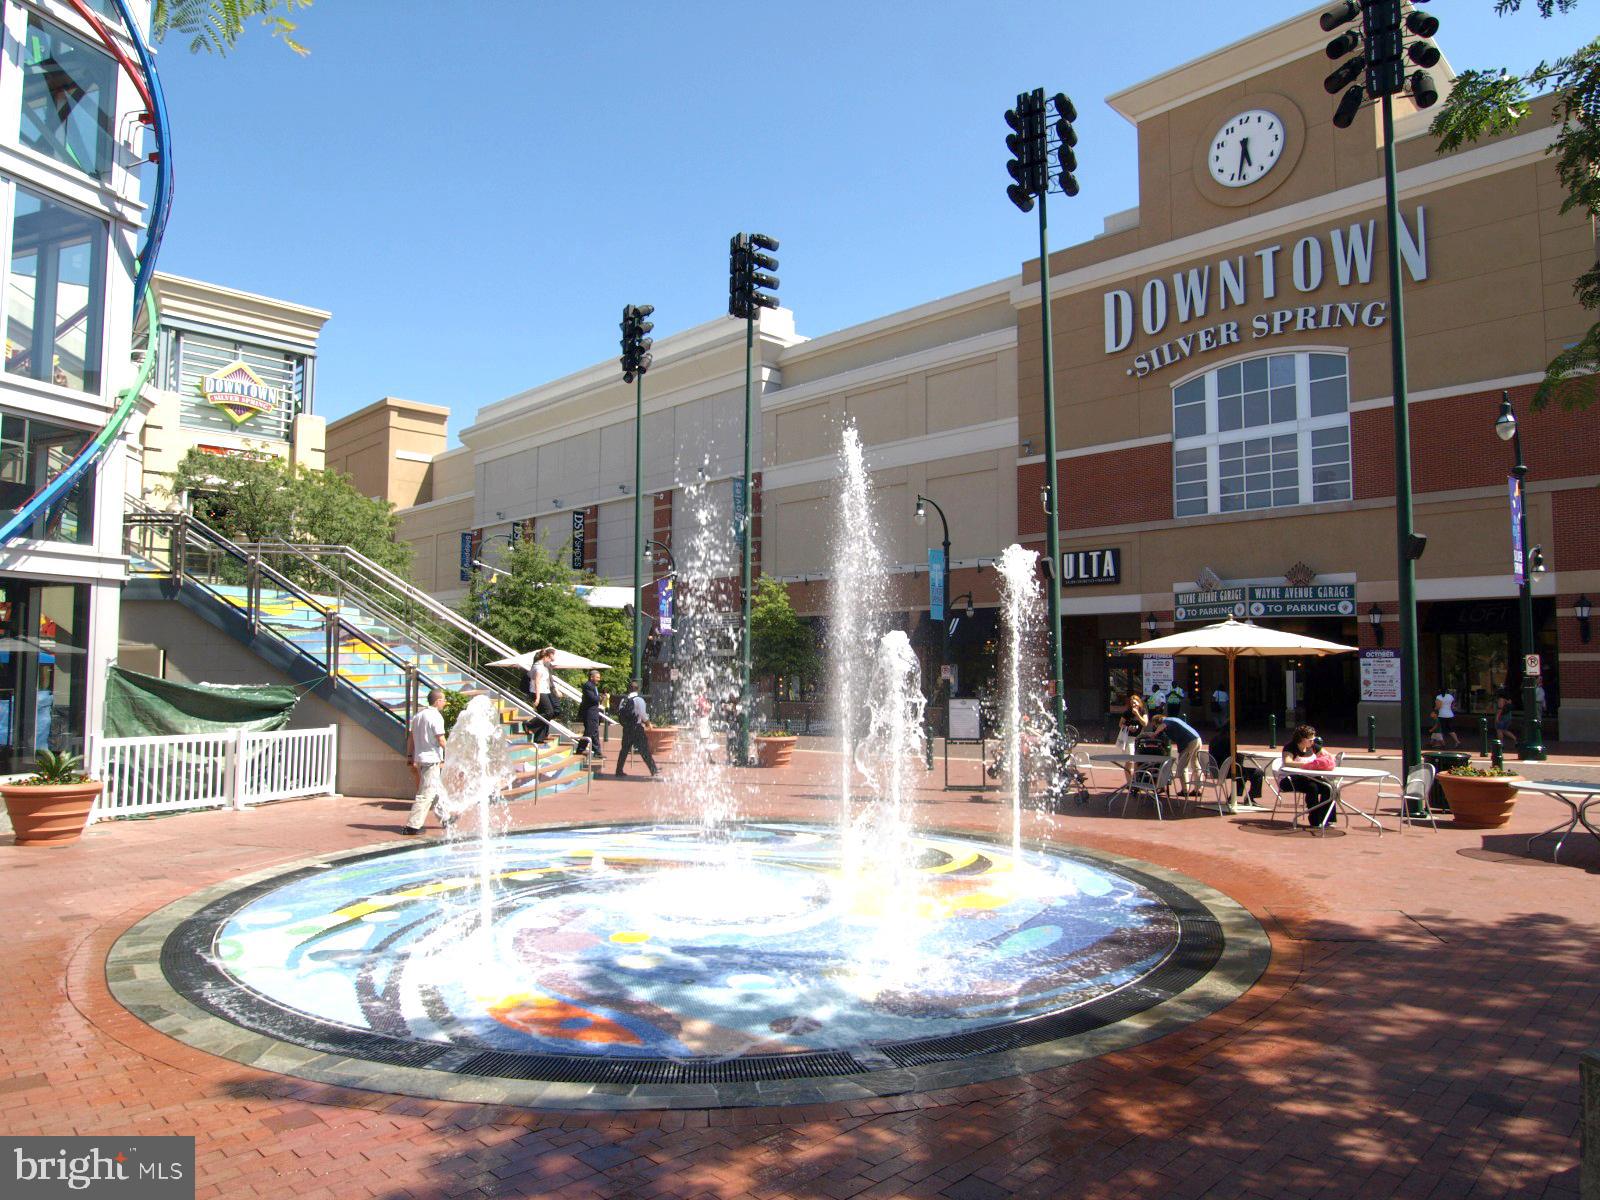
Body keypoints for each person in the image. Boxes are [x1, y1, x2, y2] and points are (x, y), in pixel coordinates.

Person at [404, 689, 449, 835]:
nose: (445, 703)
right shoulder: (436, 717)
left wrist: (410, 755)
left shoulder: (418, 716)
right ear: (438, 701)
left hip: (421, 757)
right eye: (444, 700)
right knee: (426, 793)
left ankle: (445, 818)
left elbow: (411, 738)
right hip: (431, 759)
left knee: (438, 790)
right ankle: (412, 825)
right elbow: (440, 739)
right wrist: (452, 752)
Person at [1281, 723, 1337, 830]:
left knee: (1329, 787)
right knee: (1313, 787)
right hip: (1292, 779)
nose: (1313, 742)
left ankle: (1326, 818)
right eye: (1310, 740)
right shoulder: (1290, 747)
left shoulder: (1313, 747)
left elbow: (1327, 755)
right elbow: (1287, 762)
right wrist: (1307, 765)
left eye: (1313, 739)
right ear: (1302, 739)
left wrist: (1326, 760)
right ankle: (1315, 820)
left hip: (1311, 777)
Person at [614, 679, 659, 779]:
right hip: (637, 728)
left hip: (626, 728)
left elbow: (620, 713)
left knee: (624, 750)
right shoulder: (639, 700)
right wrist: (648, 724)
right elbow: (643, 715)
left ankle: (618, 770)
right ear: (638, 689)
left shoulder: (624, 700)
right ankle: (653, 770)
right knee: (644, 750)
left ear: (629, 689)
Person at [1149, 712, 1203, 795]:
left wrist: (1155, 734)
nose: (1155, 727)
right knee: (1195, 765)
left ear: (1157, 721)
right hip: (1197, 739)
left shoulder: (1166, 721)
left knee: (1182, 766)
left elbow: (1162, 726)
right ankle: (1198, 789)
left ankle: (1185, 790)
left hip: (1188, 742)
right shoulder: (1174, 719)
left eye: (1154, 725)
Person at [1208, 728, 1262, 808]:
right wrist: (1240, 757)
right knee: (1258, 772)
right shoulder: (1229, 741)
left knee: (1241, 772)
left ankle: (1233, 797)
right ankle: (1250, 797)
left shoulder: (1213, 740)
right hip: (1226, 770)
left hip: (1215, 769)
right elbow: (1232, 757)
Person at [527, 647, 556, 743]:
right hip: (538, 692)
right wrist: (538, 698)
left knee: (545, 715)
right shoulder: (538, 667)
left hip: (545, 691)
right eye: (549, 658)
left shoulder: (542, 666)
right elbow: (537, 682)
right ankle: (529, 724)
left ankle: (539, 738)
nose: (549, 661)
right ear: (545, 657)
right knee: (549, 712)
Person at [576, 668, 603, 764]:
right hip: (589, 712)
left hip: (594, 711)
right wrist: (599, 698)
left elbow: (596, 698)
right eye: (597, 677)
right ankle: (580, 748)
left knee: (594, 731)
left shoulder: (593, 686)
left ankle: (598, 752)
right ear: (592, 677)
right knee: (590, 731)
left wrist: (599, 698)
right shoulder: (588, 686)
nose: (599, 679)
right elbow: (593, 698)